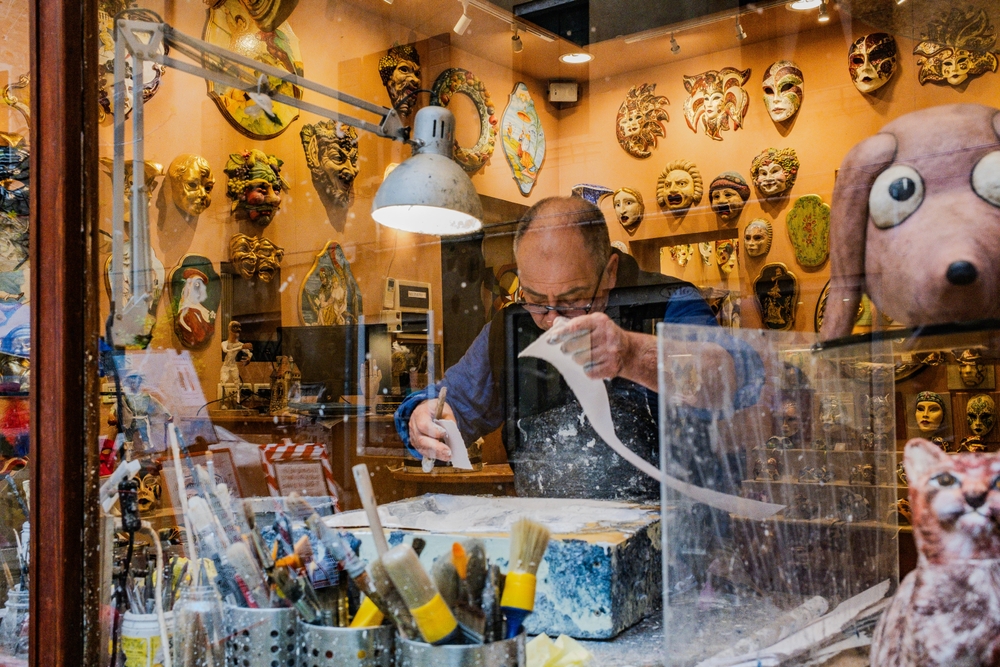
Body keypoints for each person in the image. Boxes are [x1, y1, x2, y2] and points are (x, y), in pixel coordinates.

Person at [395, 196, 764, 502]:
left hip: (668, 545)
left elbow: (733, 377)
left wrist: (634, 355)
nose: (553, 319)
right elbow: (452, 401)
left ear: (610, 272)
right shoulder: (508, 329)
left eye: (573, 300)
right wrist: (424, 416)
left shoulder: (667, 304)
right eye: (536, 300)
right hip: (554, 543)